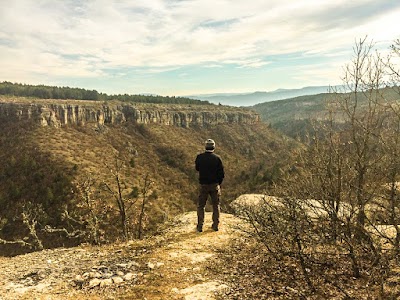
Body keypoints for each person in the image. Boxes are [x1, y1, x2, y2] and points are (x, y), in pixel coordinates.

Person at [195, 139, 225, 232]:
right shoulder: (217, 158)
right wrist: (218, 183)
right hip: (214, 184)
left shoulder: (199, 157)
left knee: (201, 205)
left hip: (203, 184)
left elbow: (197, 168)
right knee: (216, 205)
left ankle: (200, 226)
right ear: (214, 147)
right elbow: (222, 173)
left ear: (205, 147)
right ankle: (215, 225)